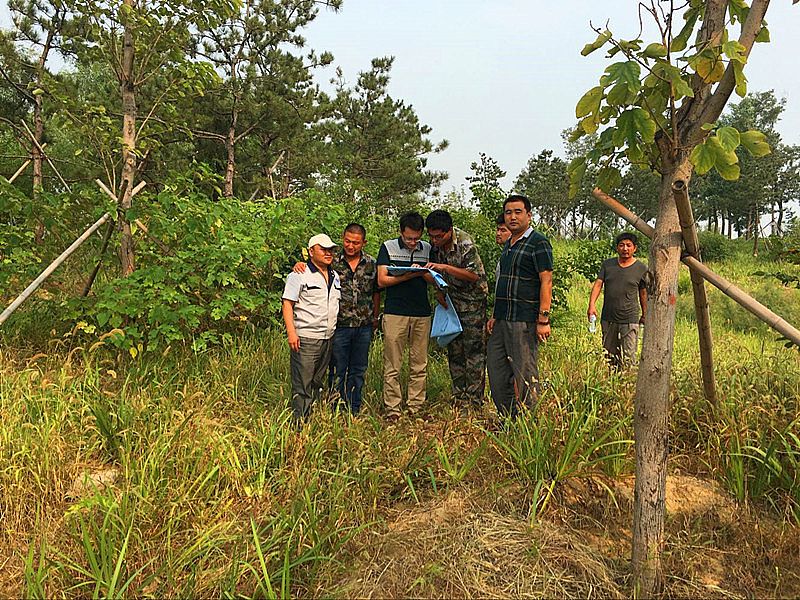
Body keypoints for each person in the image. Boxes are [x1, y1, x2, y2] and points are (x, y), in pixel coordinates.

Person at [293, 223, 381, 414]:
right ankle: (335, 408)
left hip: (363, 325)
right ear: (343, 238)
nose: (351, 246)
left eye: (356, 243)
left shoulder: (372, 264)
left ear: (363, 243)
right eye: (347, 241)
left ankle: (353, 408)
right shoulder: (332, 261)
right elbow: (311, 267)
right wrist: (299, 264)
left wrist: (375, 318)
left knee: (358, 369)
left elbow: (376, 292)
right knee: (337, 369)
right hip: (339, 325)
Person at [487, 193, 553, 420]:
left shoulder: (538, 242)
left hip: (523, 320)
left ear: (529, 215)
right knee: (496, 373)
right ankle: (509, 419)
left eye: (518, 212)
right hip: (502, 319)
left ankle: (529, 425)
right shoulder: (508, 245)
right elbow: (503, 283)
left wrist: (543, 319)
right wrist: (496, 314)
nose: (512, 217)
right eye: (508, 212)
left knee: (525, 375)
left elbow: (546, 280)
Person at [424, 209, 489, 412]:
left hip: (472, 304)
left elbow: (474, 276)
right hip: (451, 304)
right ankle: (459, 398)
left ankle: (474, 402)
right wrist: (439, 291)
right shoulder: (434, 247)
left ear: (449, 231)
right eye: (431, 236)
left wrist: (445, 268)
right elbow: (434, 274)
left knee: (474, 354)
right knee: (455, 351)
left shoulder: (464, 243)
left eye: (439, 236)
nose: (434, 240)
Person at [376, 211, 438, 421]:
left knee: (419, 363)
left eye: (416, 238)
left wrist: (424, 271)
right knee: (393, 363)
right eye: (408, 238)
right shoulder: (388, 247)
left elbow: (433, 278)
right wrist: (408, 274)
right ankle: (392, 409)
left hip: (421, 312)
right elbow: (382, 281)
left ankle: (416, 406)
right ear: (400, 232)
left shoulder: (428, 248)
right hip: (395, 312)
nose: (413, 242)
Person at [282, 234, 341, 421]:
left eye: (330, 249)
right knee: (303, 383)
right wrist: (291, 333)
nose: (328, 253)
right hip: (306, 338)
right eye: (323, 249)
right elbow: (287, 304)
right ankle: (299, 425)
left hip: (327, 337)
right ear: (311, 251)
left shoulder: (335, 275)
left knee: (317, 381)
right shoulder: (298, 275)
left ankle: (312, 419)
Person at [587, 232, 648, 369]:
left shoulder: (641, 268)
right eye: (621, 245)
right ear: (617, 248)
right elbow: (598, 285)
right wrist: (591, 305)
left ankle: (626, 385)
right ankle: (611, 384)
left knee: (628, 357)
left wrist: (645, 314)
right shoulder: (608, 265)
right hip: (608, 317)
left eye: (628, 245)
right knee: (609, 356)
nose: (625, 249)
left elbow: (643, 293)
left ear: (634, 248)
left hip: (630, 318)